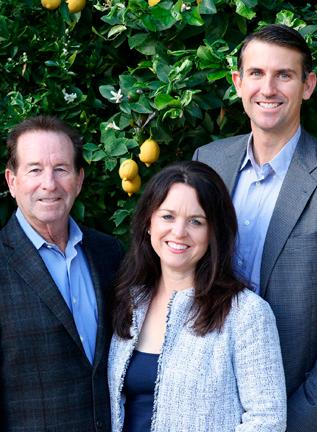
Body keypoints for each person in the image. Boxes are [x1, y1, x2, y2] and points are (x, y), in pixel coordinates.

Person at [193, 24, 317, 431]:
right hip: (209, 408)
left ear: (308, 86)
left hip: (301, 412)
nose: (268, 89)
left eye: (284, 75)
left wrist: (298, 421)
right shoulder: (208, 162)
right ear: (238, 83)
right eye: (256, 73)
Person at [0, 115, 124, 432]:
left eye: (61, 169)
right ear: (11, 181)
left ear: (79, 179)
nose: (49, 183)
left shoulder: (108, 254)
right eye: (34, 170)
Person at [108, 161, 286, 431]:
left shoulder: (246, 313)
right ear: (148, 223)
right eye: (168, 217)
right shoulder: (130, 300)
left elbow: (267, 419)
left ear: (214, 232)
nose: (179, 232)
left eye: (196, 221)